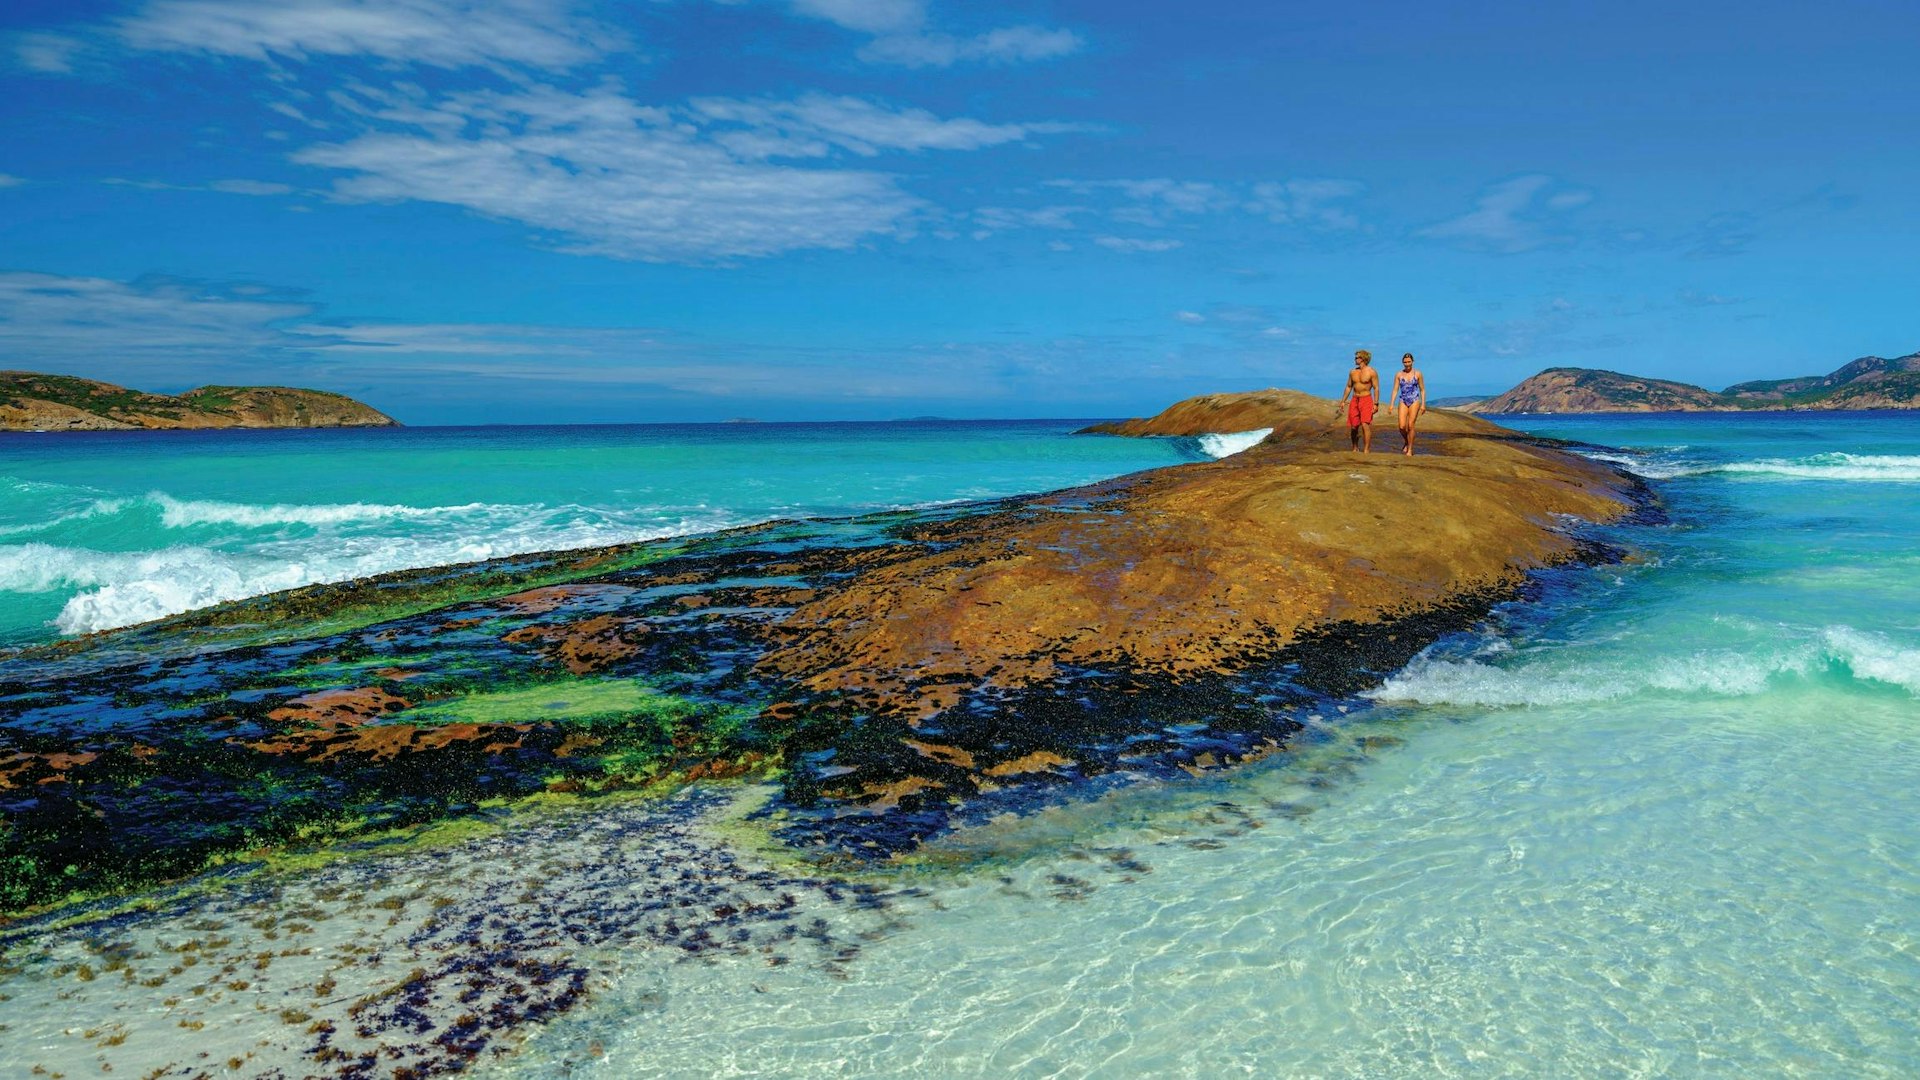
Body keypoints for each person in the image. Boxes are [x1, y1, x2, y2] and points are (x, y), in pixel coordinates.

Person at [1335, 349, 1379, 452]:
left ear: (1363, 359)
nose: (1355, 359)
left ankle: (1366, 449)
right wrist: (1342, 401)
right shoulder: (1353, 372)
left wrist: (1376, 404)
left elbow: (1376, 388)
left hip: (1366, 399)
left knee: (1365, 424)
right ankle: (1355, 447)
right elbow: (1348, 387)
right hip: (1355, 399)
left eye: (1356, 357)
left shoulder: (1372, 372)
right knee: (1354, 426)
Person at [1391, 352, 1426, 456]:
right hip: (1403, 400)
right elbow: (1395, 390)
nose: (1407, 364)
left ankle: (1410, 449)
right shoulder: (1399, 374)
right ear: (1402, 362)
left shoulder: (1418, 373)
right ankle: (1407, 441)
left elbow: (1422, 389)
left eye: (1409, 362)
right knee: (1401, 426)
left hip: (1414, 400)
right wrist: (1391, 404)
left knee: (1411, 425)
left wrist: (1423, 404)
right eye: (1405, 362)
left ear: (1412, 362)